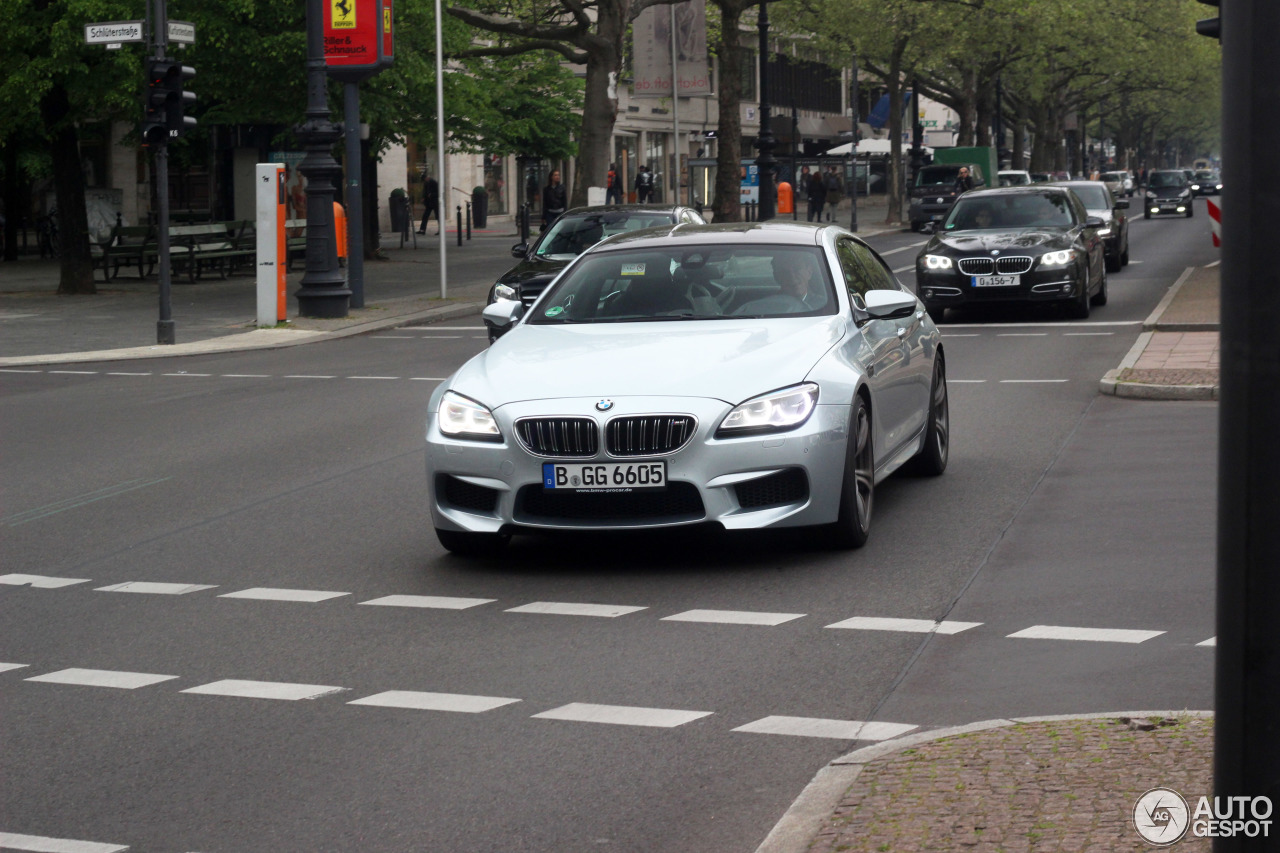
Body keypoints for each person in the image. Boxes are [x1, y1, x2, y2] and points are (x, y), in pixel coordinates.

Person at [417, 170, 440, 234]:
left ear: (427, 178)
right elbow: (425, 191)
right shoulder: (426, 183)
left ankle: (440, 230)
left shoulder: (434, 182)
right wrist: (424, 197)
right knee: (425, 216)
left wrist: (431, 194)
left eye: (425, 180)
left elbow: (438, 192)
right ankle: (422, 230)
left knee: (438, 216)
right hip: (429, 203)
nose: (425, 181)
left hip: (435, 201)